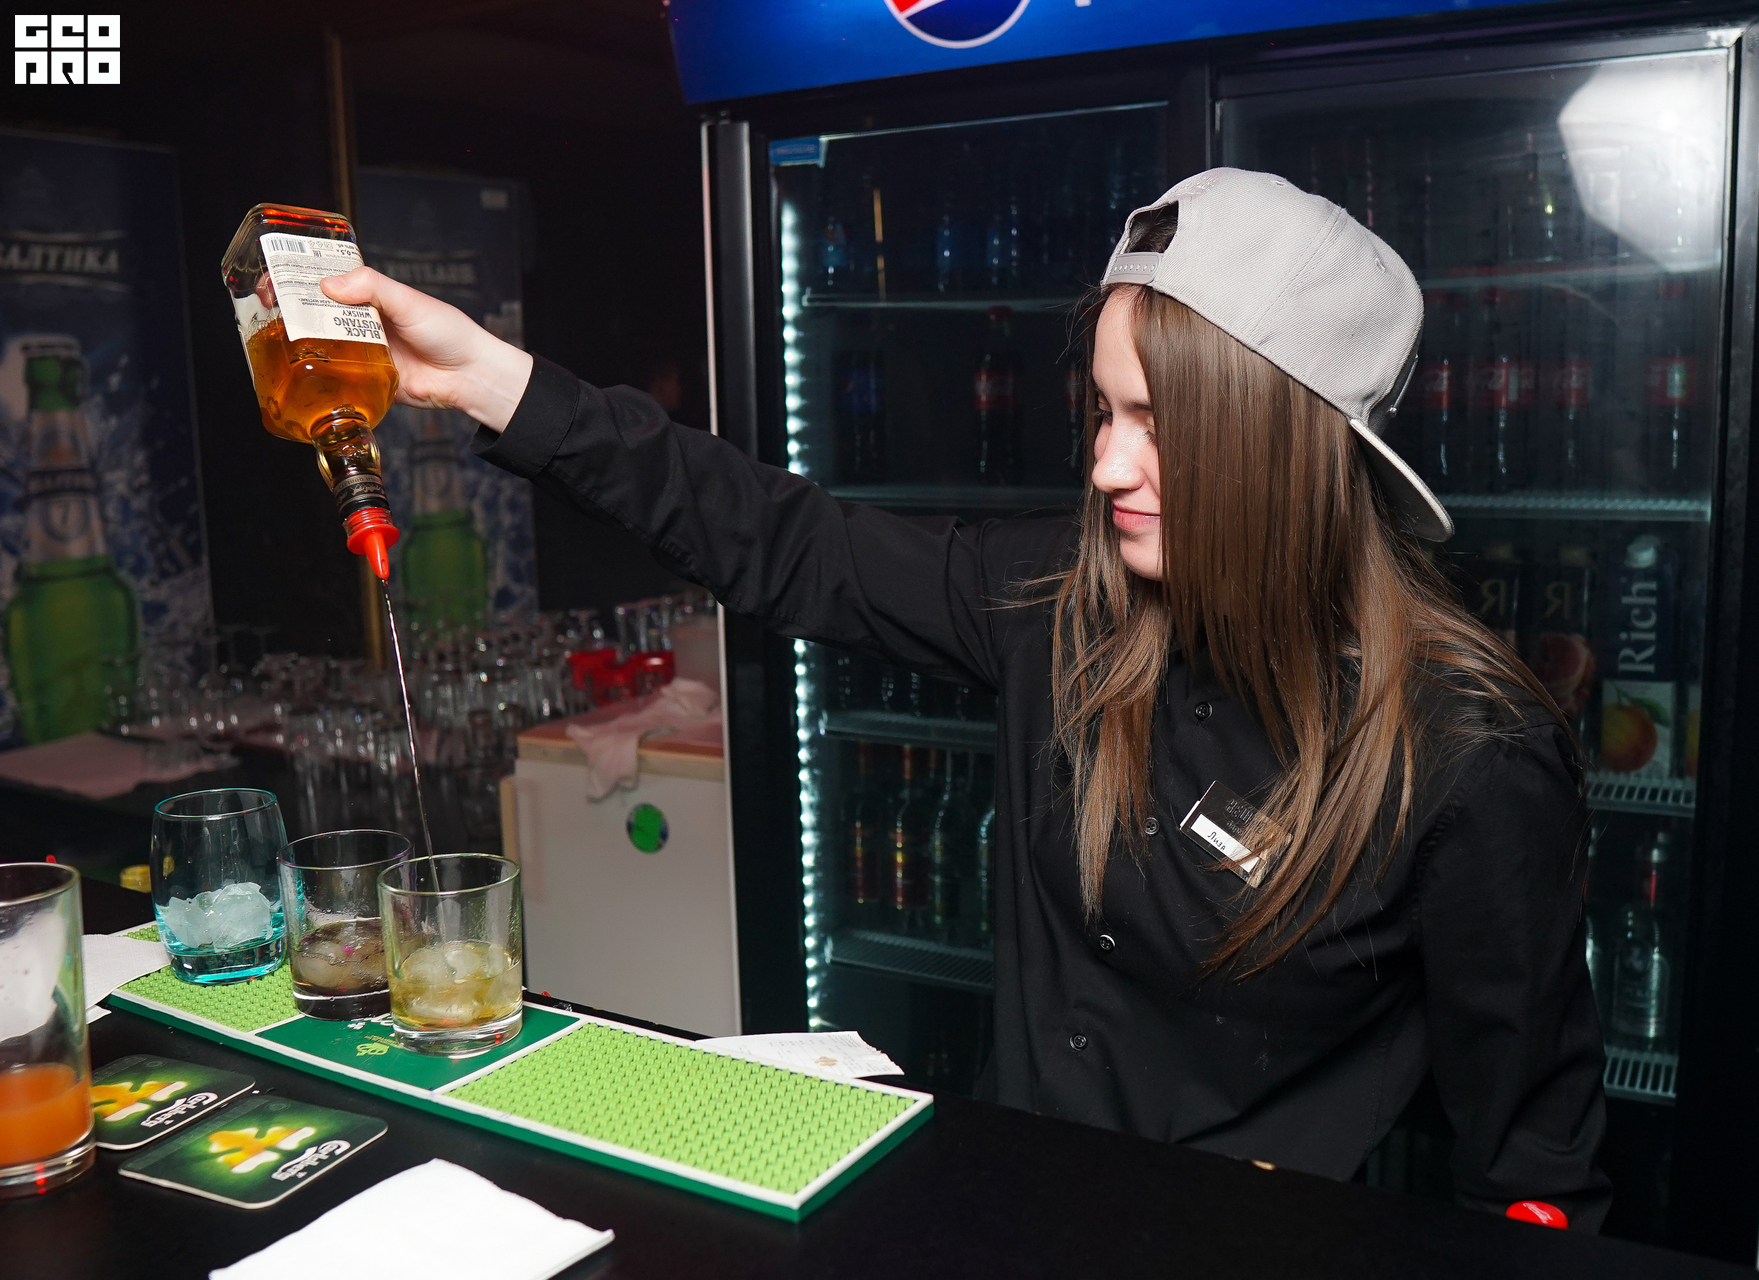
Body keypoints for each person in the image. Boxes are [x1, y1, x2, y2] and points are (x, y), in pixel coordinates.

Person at [322, 168, 1610, 1227]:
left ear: (1279, 442)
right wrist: (489, 378)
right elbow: (791, 543)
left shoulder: (1469, 754)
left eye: (1155, 423)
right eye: (1103, 413)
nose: (1107, 466)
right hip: (1006, 1219)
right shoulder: (1068, 604)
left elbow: (1535, 1173)